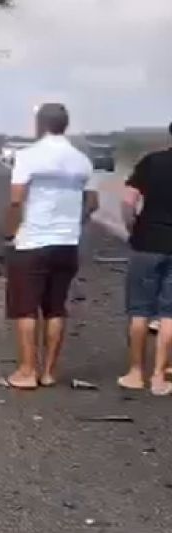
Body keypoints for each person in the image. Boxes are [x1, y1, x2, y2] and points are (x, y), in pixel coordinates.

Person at [1, 103, 99, 389]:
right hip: (67, 242)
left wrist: (10, 233)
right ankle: (49, 372)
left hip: (33, 241)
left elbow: (17, 200)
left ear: (40, 124)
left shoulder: (28, 156)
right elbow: (92, 202)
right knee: (56, 308)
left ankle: (27, 371)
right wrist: (75, 224)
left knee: (26, 309)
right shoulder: (81, 159)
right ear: (65, 125)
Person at [118, 122, 172, 395]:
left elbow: (128, 202)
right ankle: (160, 376)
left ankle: (136, 373)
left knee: (139, 311)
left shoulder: (151, 163)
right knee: (169, 314)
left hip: (147, 243)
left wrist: (132, 227)